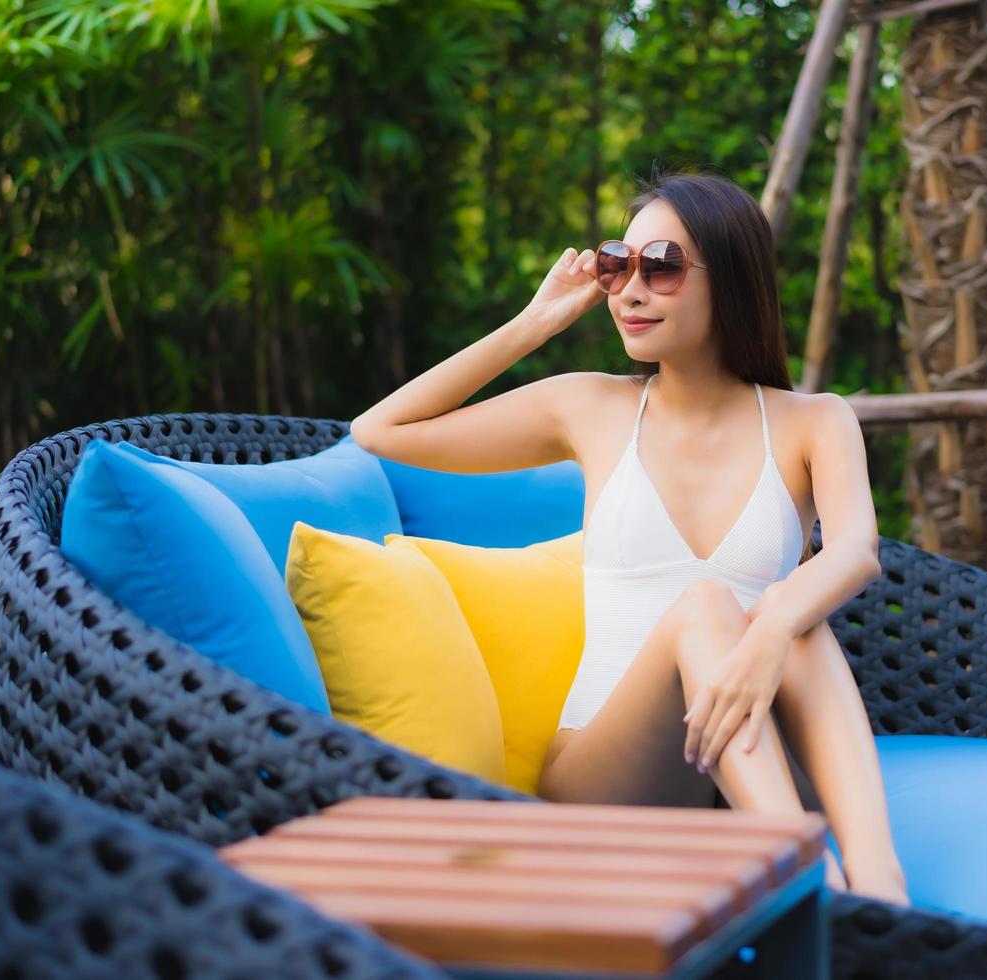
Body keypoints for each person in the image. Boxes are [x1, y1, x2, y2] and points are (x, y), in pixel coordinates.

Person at [351, 168, 908, 906]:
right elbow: (379, 431)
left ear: (731, 278)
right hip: (613, 784)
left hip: (752, 762)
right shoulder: (591, 407)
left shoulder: (815, 421)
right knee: (711, 607)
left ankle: (878, 886)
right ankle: (817, 888)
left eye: (663, 266)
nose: (631, 289)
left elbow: (853, 551)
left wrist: (774, 624)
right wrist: (537, 321)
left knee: (797, 623)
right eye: (619, 264)